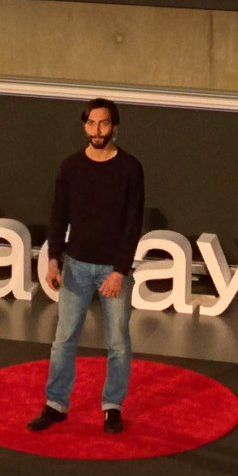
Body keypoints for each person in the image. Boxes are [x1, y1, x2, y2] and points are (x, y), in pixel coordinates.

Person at [27, 98, 145, 435]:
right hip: (75, 265)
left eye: (104, 123)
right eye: (92, 123)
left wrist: (119, 271)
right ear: (84, 126)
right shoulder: (70, 167)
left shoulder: (130, 169)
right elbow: (58, 216)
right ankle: (56, 404)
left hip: (113, 269)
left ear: (115, 127)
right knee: (63, 339)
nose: (97, 130)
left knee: (119, 342)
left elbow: (132, 223)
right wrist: (52, 260)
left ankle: (112, 407)